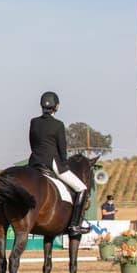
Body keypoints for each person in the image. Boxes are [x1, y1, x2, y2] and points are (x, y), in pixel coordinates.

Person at [28, 91, 89, 235]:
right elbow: (62, 149)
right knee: (82, 188)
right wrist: (64, 164)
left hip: (34, 161)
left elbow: (32, 142)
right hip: (52, 163)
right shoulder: (58, 125)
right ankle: (74, 225)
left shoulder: (34, 122)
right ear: (56, 107)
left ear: (41, 106)